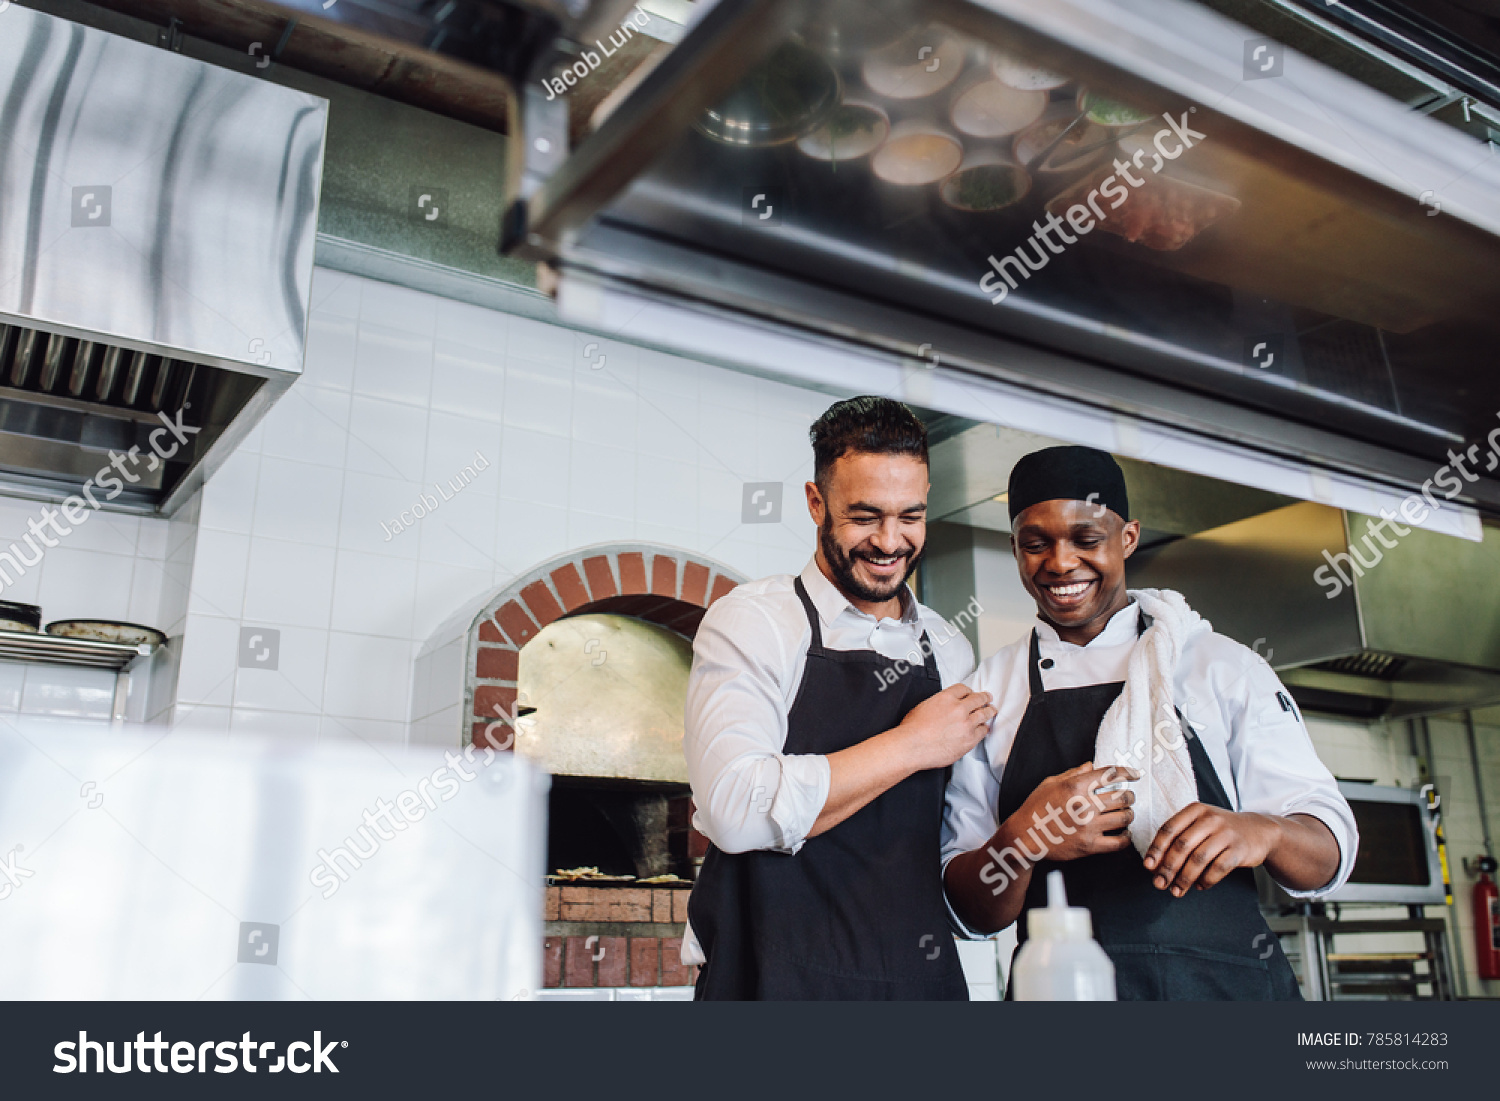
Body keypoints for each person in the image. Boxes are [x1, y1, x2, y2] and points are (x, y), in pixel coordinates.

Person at [942, 445, 1357, 1000]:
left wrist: (1264, 830)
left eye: (1087, 540)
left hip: (1229, 993)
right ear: (1015, 548)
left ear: (1128, 538)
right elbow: (969, 910)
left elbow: (1327, 854)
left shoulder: (1218, 666)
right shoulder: (990, 693)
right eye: (1036, 544)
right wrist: (1022, 838)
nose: (1061, 563)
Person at [682, 396, 996, 1000]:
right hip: (767, 979)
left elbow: (955, 841)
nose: (889, 541)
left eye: (911, 515)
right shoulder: (755, 622)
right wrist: (911, 745)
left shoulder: (949, 648)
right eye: (864, 516)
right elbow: (735, 810)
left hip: (914, 981)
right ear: (815, 502)